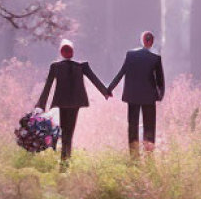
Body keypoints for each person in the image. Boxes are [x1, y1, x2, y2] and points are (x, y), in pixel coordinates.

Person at [36, 39, 110, 168]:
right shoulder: (81, 66)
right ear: (73, 52)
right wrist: (105, 92)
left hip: (63, 103)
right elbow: (94, 79)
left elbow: (48, 86)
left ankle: (64, 161)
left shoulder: (56, 66)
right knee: (69, 132)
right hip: (75, 103)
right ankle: (65, 161)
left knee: (65, 131)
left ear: (61, 52)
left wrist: (41, 104)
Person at [107, 30, 165, 158]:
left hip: (132, 96)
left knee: (132, 126)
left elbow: (121, 73)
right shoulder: (155, 58)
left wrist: (109, 89)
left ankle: (134, 157)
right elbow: (160, 81)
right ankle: (149, 156)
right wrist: (160, 95)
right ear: (152, 42)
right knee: (149, 127)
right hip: (149, 97)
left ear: (142, 40)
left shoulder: (131, 55)